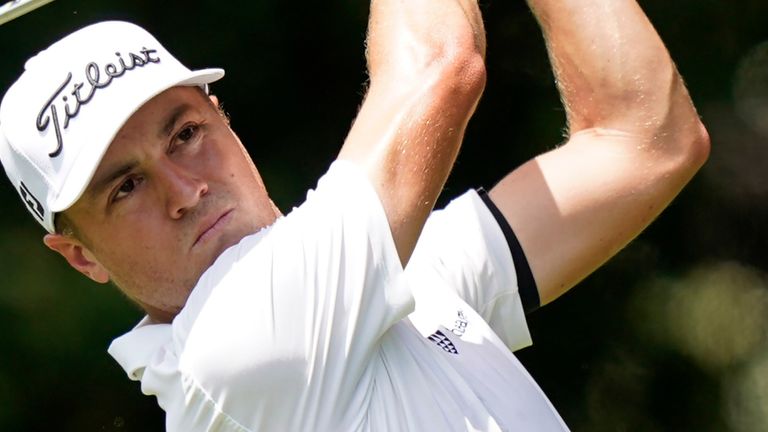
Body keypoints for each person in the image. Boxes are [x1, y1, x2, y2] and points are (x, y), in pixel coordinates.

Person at [0, 0, 709, 430]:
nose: (183, 192)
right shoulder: (234, 354)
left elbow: (644, 140)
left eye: (185, 134)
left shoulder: (381, 286)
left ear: (223, 118)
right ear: (80, 254)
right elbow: (439, 65)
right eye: (124, 188)